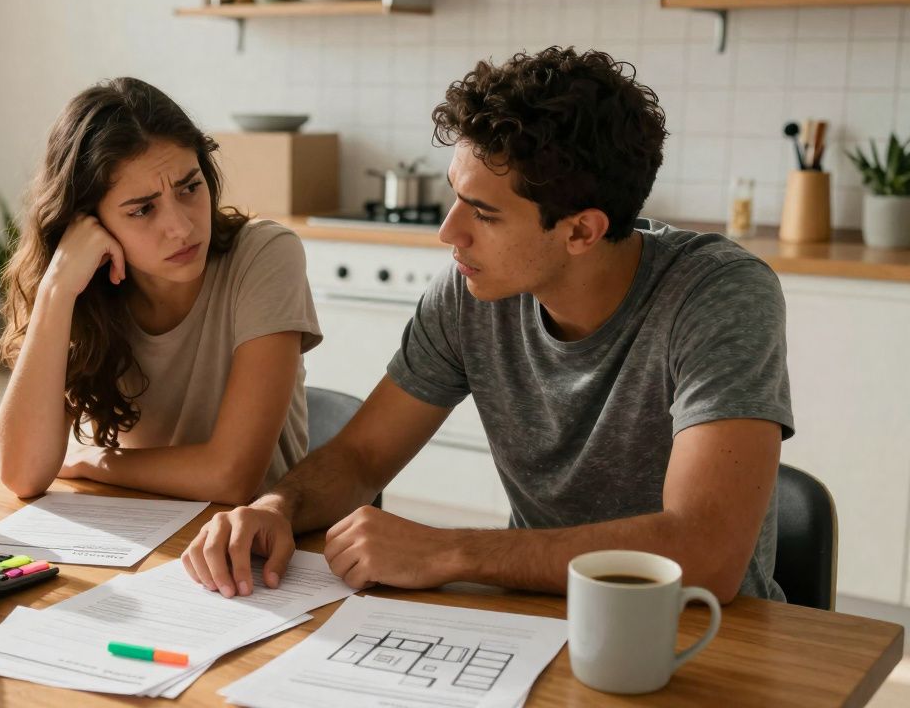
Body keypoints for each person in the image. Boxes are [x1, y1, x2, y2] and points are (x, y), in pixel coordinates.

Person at [182, 47, 793, 603]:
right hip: (532, 612)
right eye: (454, 197)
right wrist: (275, 506)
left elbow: (705, 552)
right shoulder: (471, 292)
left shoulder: (718, 295)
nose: (449, 233)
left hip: (698, 626)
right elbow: (363, 455)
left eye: (483, 213)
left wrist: (451, 550)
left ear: (582, 230)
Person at [0, 77, 321, 506]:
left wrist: (93, 462)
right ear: (87, 223)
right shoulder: (82, 293)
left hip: (256, 547)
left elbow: (231, 478)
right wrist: (56, 291)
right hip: (142, 537)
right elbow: (22, 474)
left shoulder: (265, 254)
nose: (182, 228)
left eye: (189, 187)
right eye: (143, 209)